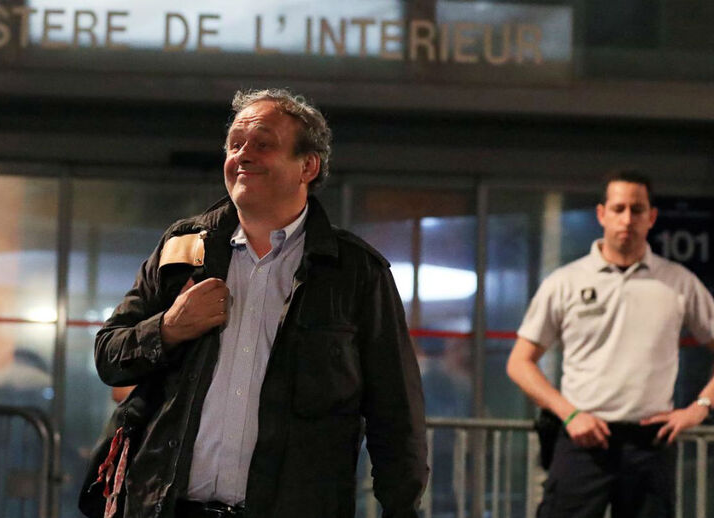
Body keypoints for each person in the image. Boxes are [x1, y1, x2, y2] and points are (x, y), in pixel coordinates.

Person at [92, 89, 427, 518]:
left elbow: (396, 416)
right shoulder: (182, 249)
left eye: (263, 144)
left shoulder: (356, 272)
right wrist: (169, 328)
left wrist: (402, 509)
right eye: (234, 144)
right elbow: (109, 356)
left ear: (308, 166)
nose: (242, 155)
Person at [506, 170, 714, 518]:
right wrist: (569, 414)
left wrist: (700, 407)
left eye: (637, 209)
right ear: (602, 214)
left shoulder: (679, 282)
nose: (627, 219)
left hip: (651, 442)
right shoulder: (565, 282)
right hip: (581, 438)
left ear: (652, 217)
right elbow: (519, 363)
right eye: (618, 208)